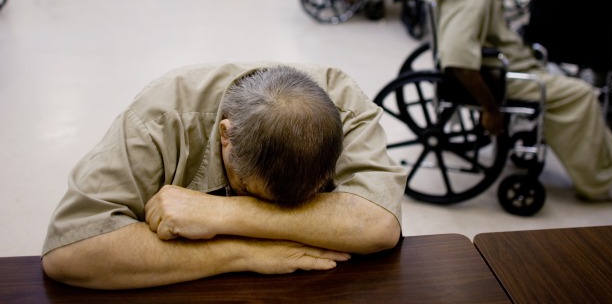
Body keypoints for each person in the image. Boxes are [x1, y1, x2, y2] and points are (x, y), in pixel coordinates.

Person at [41, 63, 406, 289]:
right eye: (247, 190)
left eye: (303, 202)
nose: (266, 210)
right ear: (225, 135)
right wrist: (241, 252)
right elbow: (70, 252)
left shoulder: (344, 103)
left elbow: (379, 224)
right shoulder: (159, 117)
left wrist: (220, 214)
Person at [429, 0, 612, 214]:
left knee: (574, 94)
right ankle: (603, 182)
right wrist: (491, 110)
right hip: (501, 75)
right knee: (581, 94)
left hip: (509, 63)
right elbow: (458, 59)